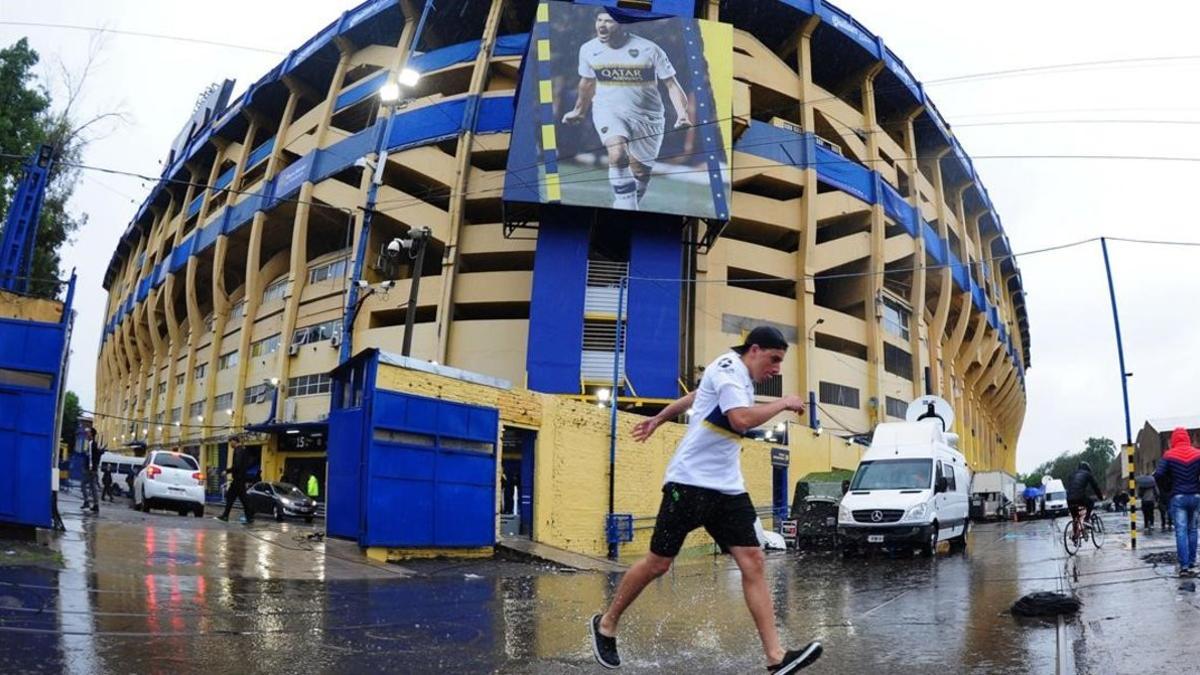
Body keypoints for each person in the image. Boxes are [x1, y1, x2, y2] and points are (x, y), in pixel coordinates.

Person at [588, 326, 822, 673]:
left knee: (753, 561)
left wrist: (659, 418)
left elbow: (696, 396)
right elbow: (740, 420)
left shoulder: (738, 378)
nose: (775, 369)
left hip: (727, 487)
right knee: (658, 564)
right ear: (754, 350)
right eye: (774, 359)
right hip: (689, 482)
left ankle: (775, 658)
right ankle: (606, 624)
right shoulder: (729, 368)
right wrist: (784, 403)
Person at [561, 8, 691, 211]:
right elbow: (587, 83)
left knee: (640, 174)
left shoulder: (649, 49)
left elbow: (672, 84)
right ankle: (626, 205)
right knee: (617, 154)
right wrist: (579, 111)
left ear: (622, 25)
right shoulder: (588, 49)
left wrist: (683, 114)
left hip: (648, 117)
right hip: (608, 110)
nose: (602, 25)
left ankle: (624, 205)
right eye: (599, 20)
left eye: (609, 21)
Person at [1154, 427, 1200, 576]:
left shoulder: (1169, 455)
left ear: (1173, 440)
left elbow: (1159, 474)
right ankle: (1193, 562)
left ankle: (1184, 567)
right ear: (1188, 438)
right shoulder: (1197, 453)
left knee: (1181, 531)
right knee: (1193, 530)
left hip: (1178, 496)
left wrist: (1166, 489)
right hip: (1195, 496)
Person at [217, 437, 254, 523]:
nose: (230, 444)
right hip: (241, 479)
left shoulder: (238, 451)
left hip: (238, 479)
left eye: (230, 442)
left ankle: (226, 516)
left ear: (234, 441)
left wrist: (227, 471)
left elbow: (237, 465)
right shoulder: (243, 450)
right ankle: (248, 517)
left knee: (234, 497)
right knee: (239, 498)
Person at [1065, 461, 1104, 526]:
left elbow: (1071, 487)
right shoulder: (1087, 474)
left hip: (1069, 499)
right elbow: (1095, 487)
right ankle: (1086, 519)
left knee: (1075, 518)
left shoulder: (1072, 474)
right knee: (1091, 503)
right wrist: (1100, 497)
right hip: (1079, 497)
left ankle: (1075, 534)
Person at [81, 428, 101, 513]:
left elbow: (92, 458)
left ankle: (87, 502)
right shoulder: (91, 444)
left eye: (88, 433)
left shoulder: (92, 444)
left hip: (90, 470)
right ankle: (96, 505)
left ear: (91, 434)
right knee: (93, 487)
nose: (87, 434)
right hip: (91, 469)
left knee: (83, 484)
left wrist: (91, 468)